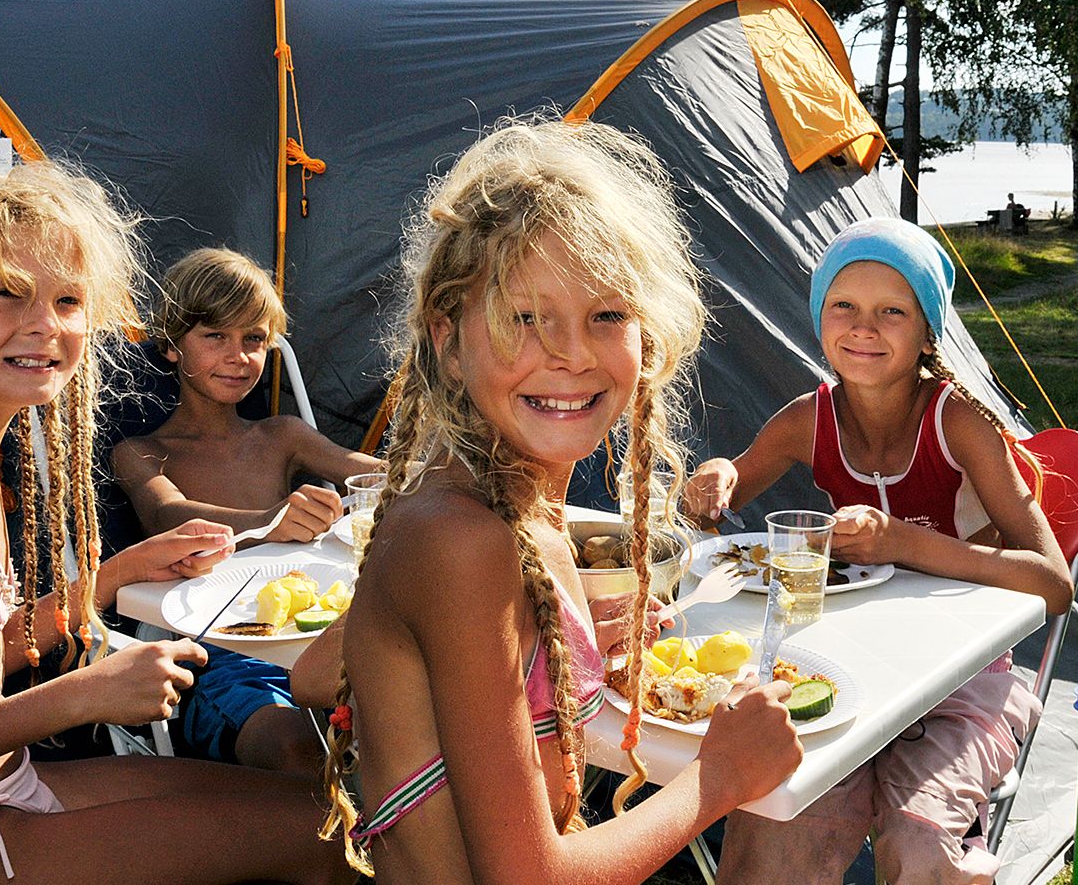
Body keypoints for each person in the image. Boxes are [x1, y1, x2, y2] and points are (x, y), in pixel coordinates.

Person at [0, 161, 348, 885]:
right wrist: (81, 696)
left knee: (317, 805)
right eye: (7, 295)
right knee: (328, 841)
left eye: (69, 300)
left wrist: (114, 577)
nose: (44, 325)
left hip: (4, 792)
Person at [299, 118, 804, 883]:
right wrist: (720, 778)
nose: (569, 353)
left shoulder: (515, 513)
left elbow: (328, 673)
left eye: (606, 315)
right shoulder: (461, 541)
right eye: (523, 318)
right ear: (447, 339)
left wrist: (543, 642)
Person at [687, 216, 1074, 885]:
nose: (864, 327)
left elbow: (1053, 584)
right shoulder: (811, 418)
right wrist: (714, 476)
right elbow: (729, 481)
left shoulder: (960, 423)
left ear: (928, 330)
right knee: (774, 818)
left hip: (960, 682)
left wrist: (903, 543)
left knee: (918, 843)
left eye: (892, 311)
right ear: (820, 320)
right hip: (846, 670)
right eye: (845, 306)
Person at [110, 247, 381, 774]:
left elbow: (368, 471)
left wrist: (443, 469)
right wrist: (268, 523)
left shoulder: (281, 434)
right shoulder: (141, 451)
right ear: (171, 347)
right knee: (294, 746)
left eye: (254, 339)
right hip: (209, 652)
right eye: (216, 337)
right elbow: (171, 516)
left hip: (314, 636)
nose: (239, 356)